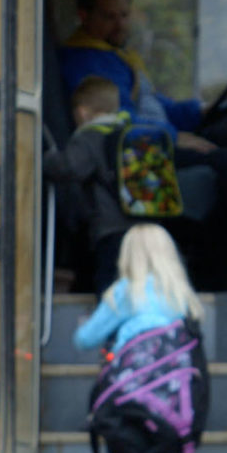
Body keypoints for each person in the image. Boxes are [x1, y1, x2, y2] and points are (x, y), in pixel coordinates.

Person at [60, 0, 227, 291]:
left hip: (149, 143)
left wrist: (205, 109)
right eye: (108, 17)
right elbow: (117, 119)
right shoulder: (85, 59)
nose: (120, 25)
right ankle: (225, 273)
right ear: (84, 16)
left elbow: (157, 106)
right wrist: (174, 138)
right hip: (136, 156)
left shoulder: (117, 57)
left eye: (124, 15)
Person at [73, 223, 204, 453]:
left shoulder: (124, 293)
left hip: (130, 402)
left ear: (127, 256)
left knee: (107, 415)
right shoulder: (181, 295)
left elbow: (84, 339)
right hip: (172, 406)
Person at [43, 75, 144, 297]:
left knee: (107, 281)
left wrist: (47, 160)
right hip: (143, 223)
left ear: (82, 112)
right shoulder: (131, 132)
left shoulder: (90, 137)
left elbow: (70, 167)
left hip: (111, 228)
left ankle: (108, 324)